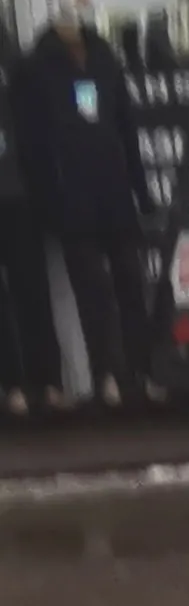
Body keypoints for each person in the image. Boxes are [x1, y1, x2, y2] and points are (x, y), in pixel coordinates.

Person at [14, 0, 163, 407]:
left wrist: (142, 192)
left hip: (113, 190)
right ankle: (106, 376)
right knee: (93, 292)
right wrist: (48, 199)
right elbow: (32, 143)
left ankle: (141, 371)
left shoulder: (103, 56)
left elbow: (127, 128)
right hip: (72, 196)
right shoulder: (36, 67)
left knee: (131, 282)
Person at [0, 30, 62, 414]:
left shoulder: (20, 68)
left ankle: (38, 383)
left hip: (22, 196)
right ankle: (24, 384)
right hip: (21, 194)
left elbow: (39, 135)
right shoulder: (19, 66)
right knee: (28, 294)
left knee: (31, 293)